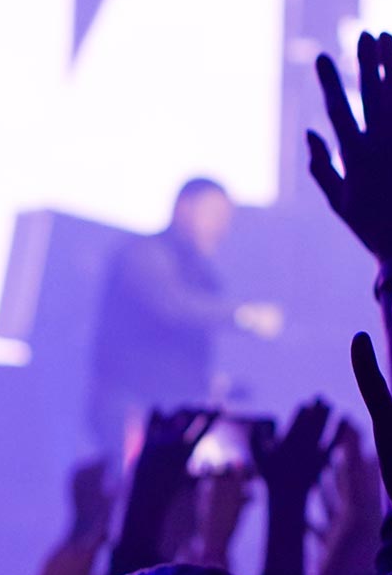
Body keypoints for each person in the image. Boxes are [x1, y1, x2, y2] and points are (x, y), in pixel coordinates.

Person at [85, 177, 282, 461]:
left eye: (226, 219)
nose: (220, 228)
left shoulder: (199, 270)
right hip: (131, 407)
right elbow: (173, 305)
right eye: (213, 215)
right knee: (138, 492)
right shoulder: (145, 254)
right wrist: (245, 316)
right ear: (184, 208)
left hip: (168, 410)